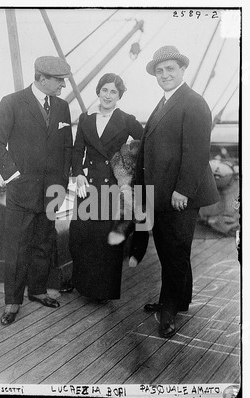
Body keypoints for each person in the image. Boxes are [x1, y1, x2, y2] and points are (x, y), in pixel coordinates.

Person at [136, 46, 219, 338]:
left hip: (182, 195)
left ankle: (168, 310)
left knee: (175, 252)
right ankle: (180, 298)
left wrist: (182, 190)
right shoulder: (163, 103)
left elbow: (197, 153)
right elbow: (147, 151)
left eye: (170, 69)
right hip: (161, 195)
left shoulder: (194, 103)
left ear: (182, 70)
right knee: (170, 250)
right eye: (159, 71)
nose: (164, 75)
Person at [0, 56, 73, 325]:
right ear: (42, 78)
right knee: (17, 248)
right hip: (22, 190)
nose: (63, 87)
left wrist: (62, 180)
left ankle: (37, 290)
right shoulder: (11, 103)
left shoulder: (61, 107)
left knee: (43, 242)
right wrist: (14, 176)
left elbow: (66, 147)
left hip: (51, 190)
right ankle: (12, 302)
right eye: (59, 81)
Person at [69, 73, 143, 302]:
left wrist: (127, 170)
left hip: (112, 187)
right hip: (88, 186)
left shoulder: (127, 119)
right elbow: (76, 150)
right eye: (105, 90)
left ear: (119, 96)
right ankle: (82, 285)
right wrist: (78, 174)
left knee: (105, 238)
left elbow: (145, 144)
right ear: (98, 92)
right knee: (82, 234)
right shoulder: (86, 119)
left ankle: (102, 292)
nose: (108, 95)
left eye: (114, 92)